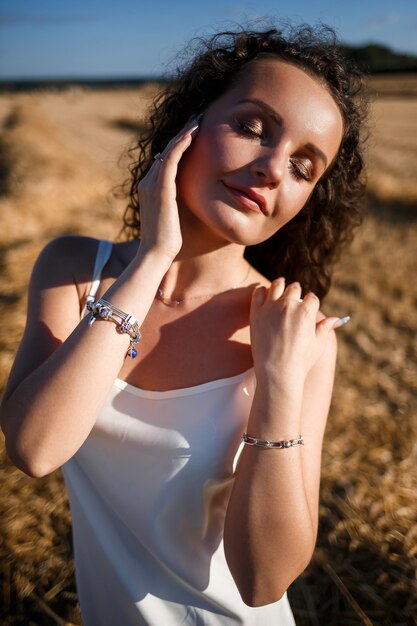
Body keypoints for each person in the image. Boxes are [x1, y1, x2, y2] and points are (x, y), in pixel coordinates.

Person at [0, 23, 366, 626]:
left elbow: (263, 579)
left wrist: (277, 380)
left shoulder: (297, 335)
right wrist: (150, 259)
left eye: (304, 166)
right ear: (188, 126)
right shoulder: (74, 270)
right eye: (253, 127)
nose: (274, 168)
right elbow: (35, 448)